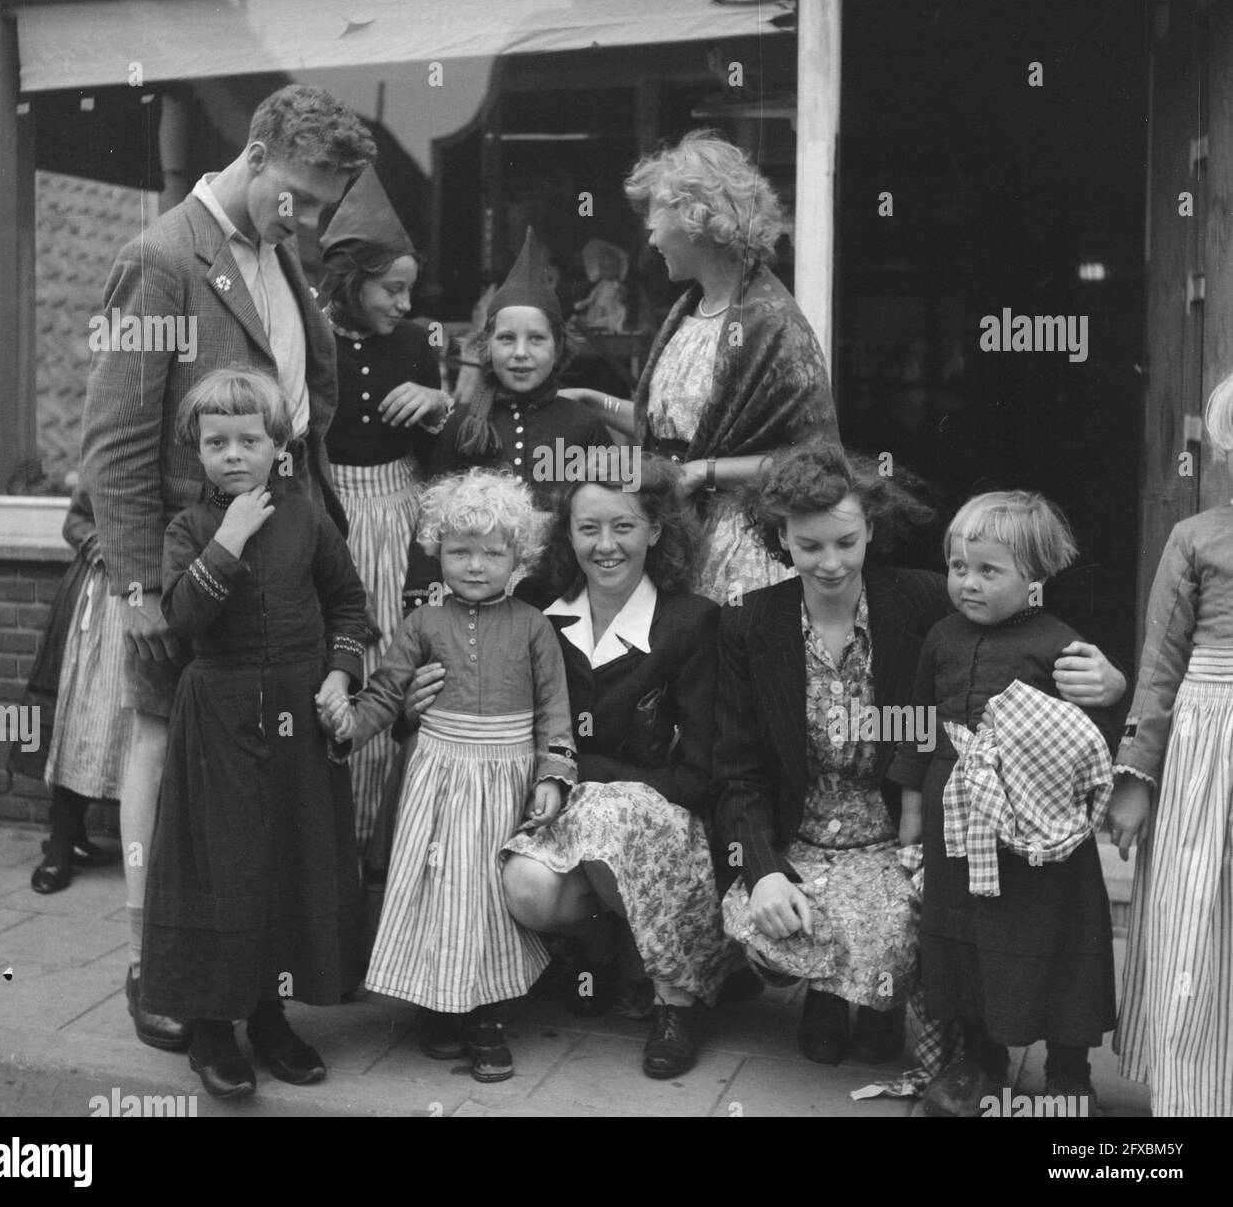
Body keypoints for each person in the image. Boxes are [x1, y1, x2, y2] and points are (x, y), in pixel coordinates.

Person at [80, 84, 374, 1052]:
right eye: (299, 194)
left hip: (281, 563)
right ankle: (154, 967)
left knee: (269, 784)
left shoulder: (280, 254)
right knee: (164, 762)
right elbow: (116, 446)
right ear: (254, 156)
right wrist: (134, 589)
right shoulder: (159, 258)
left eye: (325, 206)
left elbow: (304, 407)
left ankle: (259, 977)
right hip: (186, 568)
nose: (312, 219)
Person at [715, 446, 1128, 1072]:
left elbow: (1034, 624)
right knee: (767, 914)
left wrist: (1111, 681)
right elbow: (737, 768)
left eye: (846, 542)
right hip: (801, 832)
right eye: (809, 546)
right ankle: (825, 1001)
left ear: (871, 530)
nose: (831, 563)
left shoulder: (930, 600)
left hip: (895, 831)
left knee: (910, 914)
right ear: (781, 538)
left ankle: (880, 1005)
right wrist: (763, 868)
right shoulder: (749, 624)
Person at [140, 369, 368, 1100]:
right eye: (215, 443)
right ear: (195, 451)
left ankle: (269, 1017)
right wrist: (229, 540)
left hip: (299, 716)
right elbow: (181, 623)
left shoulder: (308, 516)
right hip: (219, 716)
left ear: (279, 446)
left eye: (248, 440)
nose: (232, 455)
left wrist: (338, 674)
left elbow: (349, 607)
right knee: (224, 868)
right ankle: (211, 1027)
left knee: (283, 861)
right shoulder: (190, 528)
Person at [322, 469, 576, 1084]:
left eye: (493, 553)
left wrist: (553, 773)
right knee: (439, 895)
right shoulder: (422, 625)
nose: (475, 565)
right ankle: (437, 1009)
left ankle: (485, 1019)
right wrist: (349, 725)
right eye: (459, 551)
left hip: (504, 783)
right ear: (437, 551)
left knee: (487, 899)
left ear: (520, 557)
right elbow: (386, 693)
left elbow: (554, 709)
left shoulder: (534, 626)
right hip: (436, 780)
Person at [497, 460, 735, 1080]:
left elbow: (699, 773)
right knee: (526, 887)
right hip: (557, 811)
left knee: (609, 816)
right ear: (567, 533)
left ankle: (674, 1000)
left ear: (655, 530)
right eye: (588, 528)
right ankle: (607, 951)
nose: (606, 546)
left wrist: (583, 771)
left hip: (658, 822)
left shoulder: (691, 621)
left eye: (624, 526)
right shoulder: (534, 606)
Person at [892, 491, 1126, 1117]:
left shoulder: (1061, 647)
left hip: (1037, 832)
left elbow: (1092, 740)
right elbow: (918, 725)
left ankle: (1070, 1071)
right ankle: (982, 1065)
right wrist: (913, 815)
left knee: (1053, 938)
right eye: (957, 566)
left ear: (1035, 578)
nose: (967, 583)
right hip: (958, 826)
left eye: (987, 570)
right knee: (968, 940)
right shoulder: (940, 639)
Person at [561, 130, 839, 602]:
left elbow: (817, 461)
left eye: (654, 217)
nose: (649, 236)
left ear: (695, 215)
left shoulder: (771, 323)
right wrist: (594, 402)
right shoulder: (688, 312)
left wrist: (702, 473)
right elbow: (679, 436)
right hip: (677, 539)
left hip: (739, 553)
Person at [320, 164, 453, 865]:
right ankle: (332, 843)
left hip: (401, 515)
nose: (404, 302)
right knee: (338, 660)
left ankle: (380, 850)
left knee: (393, 666)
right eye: (389, 288)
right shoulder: (313, 339)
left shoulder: (421, 342)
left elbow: (459, 442)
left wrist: (440, 404)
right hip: (331, 514)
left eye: (409, 288)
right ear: (350, 280)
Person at [1109, 371, 1233, 1118]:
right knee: (1196, 907)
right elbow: (1158, 666)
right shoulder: (1196, 539)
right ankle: (1196, 1100)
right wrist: (1136, 776)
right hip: (1207, 745)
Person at [403, 228, 610, 607]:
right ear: (486, 345)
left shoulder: (584, 425)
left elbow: (611, 513)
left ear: (559, 345)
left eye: (536, 339)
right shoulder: (462, 425)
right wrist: (423, 606)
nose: (519, 353)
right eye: (505, 339)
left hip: (563, 596)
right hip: (474, 598)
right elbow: (431, 525)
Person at [28, 488, 129, 894]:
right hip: (105, 600)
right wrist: (105, 549)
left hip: (169, 591)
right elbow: (75, 521)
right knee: (85, 718)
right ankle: (63, 843)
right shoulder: (114, 447)